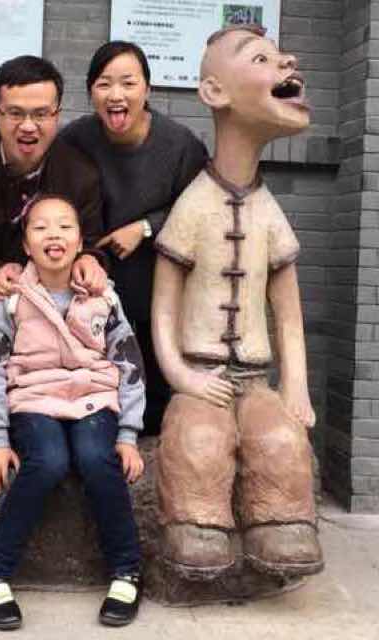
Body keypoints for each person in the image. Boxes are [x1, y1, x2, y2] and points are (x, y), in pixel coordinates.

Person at [152, 25, 323, 581]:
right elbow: (163, 307)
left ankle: (281, 522)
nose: (287, 61)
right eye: (261, 59)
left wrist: (295, 385)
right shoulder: (193, 206)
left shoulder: (270, 212)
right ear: (214, 92)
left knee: (279, 437)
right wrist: (181, 375)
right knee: (197, 438)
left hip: (255, 378)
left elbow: (288, 313)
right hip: (199, 374)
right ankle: (196, 524)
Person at [0, 194, 146, 630]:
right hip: (33, 399)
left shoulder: (103, 296)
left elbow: (129, 362)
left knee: (96, 458)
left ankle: (127, 570)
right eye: (41, 227)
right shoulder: (12, 298)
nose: (54, 235)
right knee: (48, 461)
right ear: (25, 245)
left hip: (93, 398)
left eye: (65, 227)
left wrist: (128, 434)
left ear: (81, 242)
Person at [0, 56, 107, 435]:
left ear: (57, 115)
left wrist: (92, 260)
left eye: (41, 114)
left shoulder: (80, 175)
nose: (28, 126)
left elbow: (94, 242)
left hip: (58, 320)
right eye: (15, 113)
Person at [58, 41, 208, 435]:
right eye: (104, 84)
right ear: (91, 92)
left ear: (147, 89)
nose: (116, 95)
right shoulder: (76, 138)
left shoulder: (180, 145)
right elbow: (39, 159)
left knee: (153, 386)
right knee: (97, 387)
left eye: (128, 83)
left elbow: (201, 209)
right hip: (93, 286)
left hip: (157, 284)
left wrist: (144, 227)